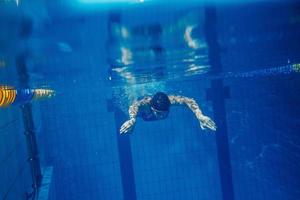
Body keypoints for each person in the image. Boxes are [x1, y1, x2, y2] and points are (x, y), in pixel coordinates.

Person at [120, 92, 217, 134]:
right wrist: (132, 119)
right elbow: (134, 106)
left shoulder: (170, 101)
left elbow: (189, 101)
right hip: (140, 112)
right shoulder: (145, 104)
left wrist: (200, 115)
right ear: (153, 109)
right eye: (159, 113)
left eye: (164, 113)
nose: (162, 117)